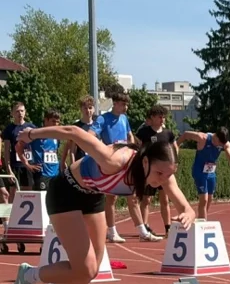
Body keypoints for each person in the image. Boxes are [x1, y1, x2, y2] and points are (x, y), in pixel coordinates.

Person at [10, 125, 195, 284]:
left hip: (93, 196)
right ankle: (29, 275)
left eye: (168, 175)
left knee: (92, 271)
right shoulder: (114, 160)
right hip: (66, 193)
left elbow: (186, 207)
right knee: (85, 268)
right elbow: (73, 132)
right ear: (146, 161)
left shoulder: (161, 171)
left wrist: (188, 213)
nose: (163, 181)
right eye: (160, 174)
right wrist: (30, 135)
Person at [92, 93, 135, 244]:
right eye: (123, 104)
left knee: (131, 193)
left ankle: (142, 229)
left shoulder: (124, 119)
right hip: (110, 161)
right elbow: (91, 134)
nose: (126, 107)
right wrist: (103, 150)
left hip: (125, 160)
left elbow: (130, 136)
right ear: (115, 103)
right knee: (111, 197)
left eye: (126, 104)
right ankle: (112, 231)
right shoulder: (103, 119)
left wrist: (133, 149)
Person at [176, 128, 230, 220]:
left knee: (210, 199)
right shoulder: (202, 138)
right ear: (215, 137)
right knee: (204, 199)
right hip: (199, 171)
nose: (220, 146)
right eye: (219, 144)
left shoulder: (225, 144)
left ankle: (201, 219)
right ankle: (203, 224)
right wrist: (176, 145)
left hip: (211, 173)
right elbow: (186, 134)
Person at [135, 105, 177, 237]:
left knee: (165, 200)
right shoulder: (144, 132)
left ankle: (168, 227)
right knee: (146, 200)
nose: (162, 119)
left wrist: (174, 163)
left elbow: (174, 148)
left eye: (163, 117)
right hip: (149, 171)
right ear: (152, 117)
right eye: (159, 117)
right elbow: (137, 147)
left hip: (164, 172)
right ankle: (145, 226)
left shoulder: (168, 133)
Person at [15, 109, 62, 190]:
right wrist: (27, 164)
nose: (56, 124)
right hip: (42, 175)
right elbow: (18, 147)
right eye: (53, 121)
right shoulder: (35, 134)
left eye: (58, 122)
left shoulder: (57, 136)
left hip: (55, 174)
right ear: (46, 120)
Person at [2, 102, 36, 198]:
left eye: (22, 111)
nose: (20, 113)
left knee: (28, 194)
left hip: (29, 165)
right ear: (12, 113)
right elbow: (6, 150)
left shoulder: (32, 127)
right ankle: (11, 213)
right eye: (17, 111)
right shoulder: (9, 129)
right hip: (15, 166)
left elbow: (37, 147)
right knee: (14, 194)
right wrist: (9, 169)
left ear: (25, 112)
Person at [62, 95, 99, 169]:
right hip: (80, 163)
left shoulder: (97, 125)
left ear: (94, 109)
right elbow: (72, 151)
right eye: (85, 108)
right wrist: (73, 166)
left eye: (90, 108)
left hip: (94, 164)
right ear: (81, 109)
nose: (88, 111)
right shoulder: (76, 126)